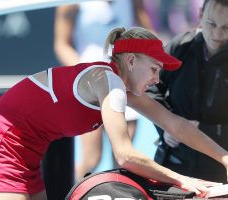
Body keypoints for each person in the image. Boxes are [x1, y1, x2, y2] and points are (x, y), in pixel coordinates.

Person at [0, 26, 228, 200]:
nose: (158, 79)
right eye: (154, 69)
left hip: (28, 156)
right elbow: (125, 155)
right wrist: (183, 180)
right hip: (1, 149)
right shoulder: (108, 81)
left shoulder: (120, 84)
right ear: (131, 60)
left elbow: (178, 126)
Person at [149, 0, 228, 184]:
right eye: (211, 23)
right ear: (200, 15)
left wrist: (204, 130)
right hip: (176, 166)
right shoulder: (180, 47)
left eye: (227, 27)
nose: (217, 33)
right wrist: (166, 125)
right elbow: (148, 88)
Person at [54, 0, 155, 180]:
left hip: (126, 83)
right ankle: (70, 194)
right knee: (92, 158)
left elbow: (147, 33)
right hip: (90, 88)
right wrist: (85, 74)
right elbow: (62, 45)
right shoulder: (70, 4)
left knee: (124, 159)